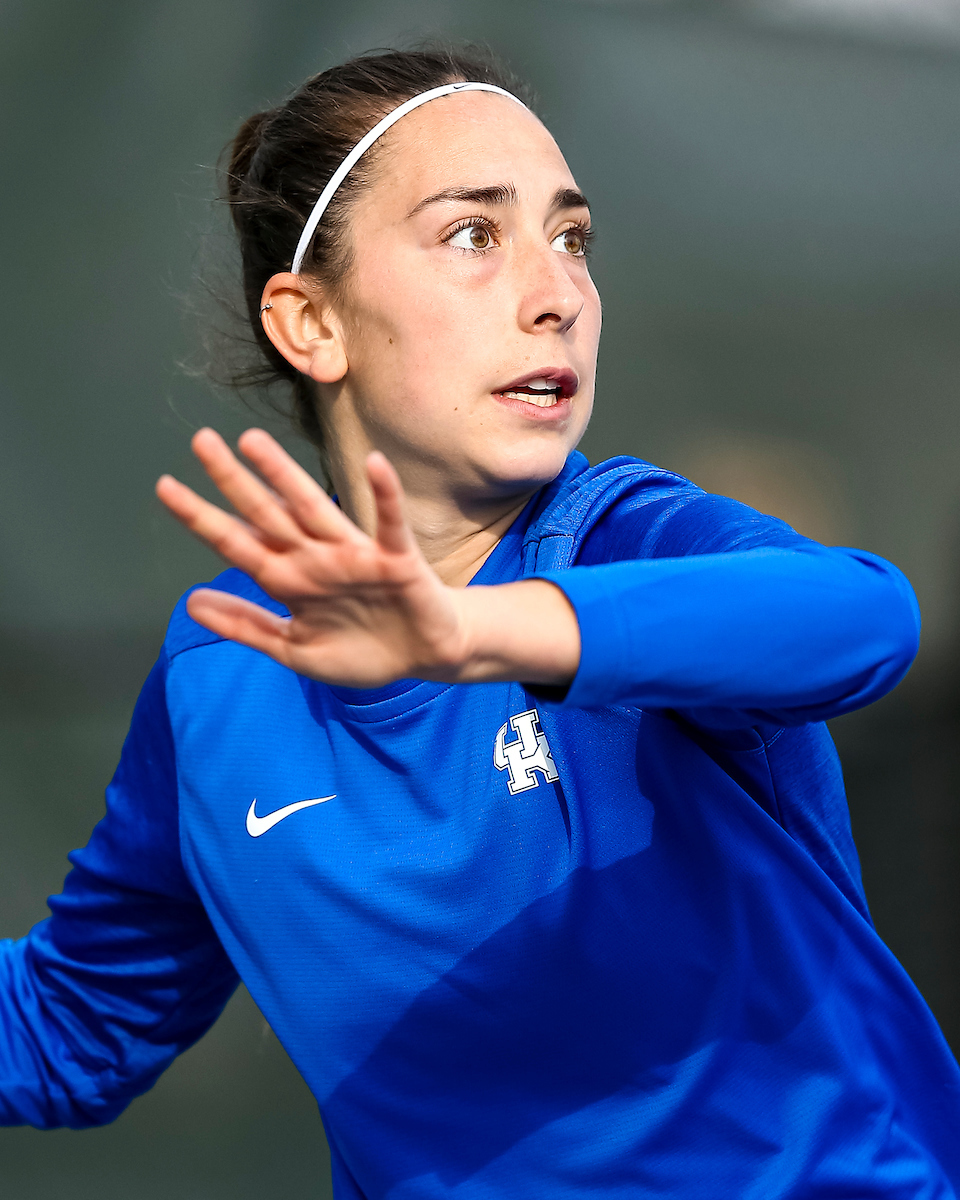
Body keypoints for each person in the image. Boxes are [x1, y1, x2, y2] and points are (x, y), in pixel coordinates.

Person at [2, 44, 959, 1199]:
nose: (556, 292)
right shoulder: (221, 674)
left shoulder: (621, 539)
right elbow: (68, 1026)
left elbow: (864, 617)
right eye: (474, 235)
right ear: (311, 325)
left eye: (572, 237)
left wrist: (473, 633)